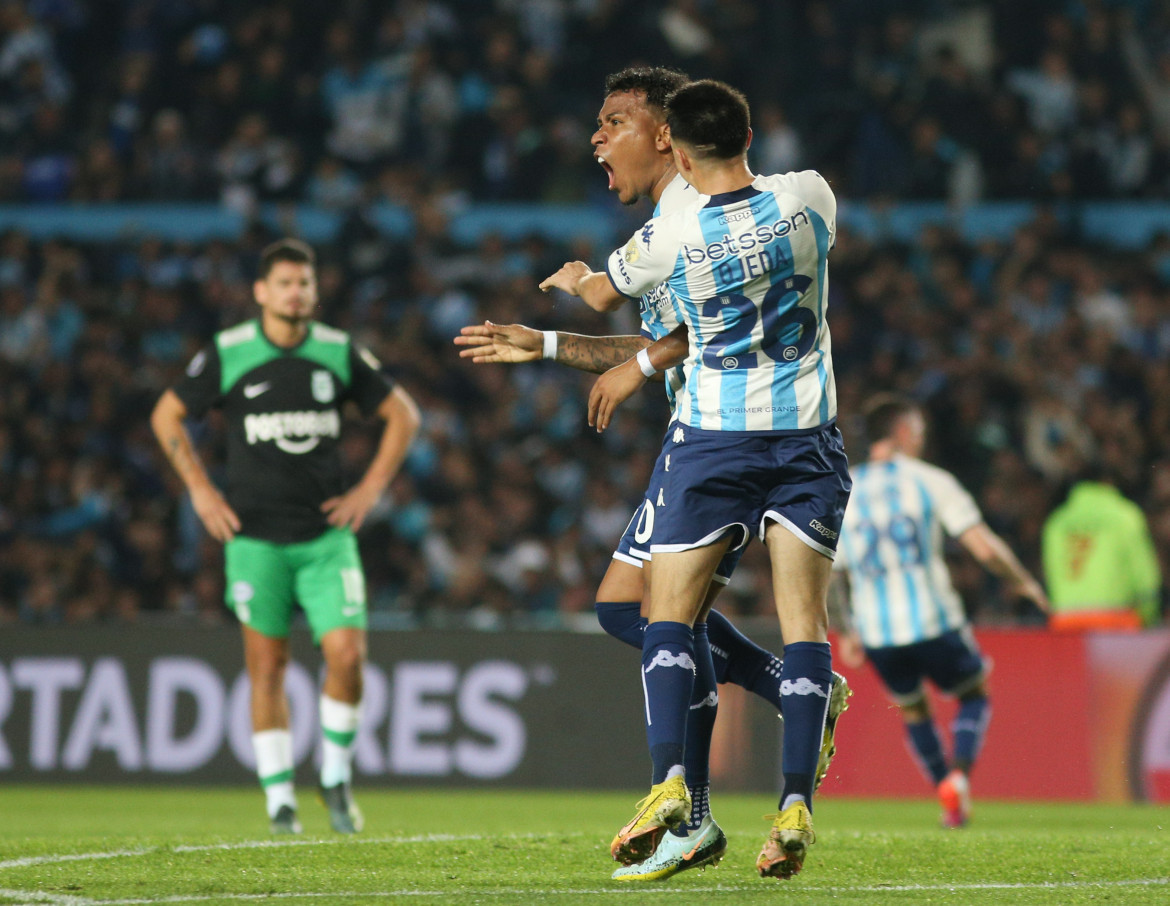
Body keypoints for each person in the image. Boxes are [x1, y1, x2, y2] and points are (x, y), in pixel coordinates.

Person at [458, 66, 850, 883]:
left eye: (613, 123)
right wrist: (548, 343)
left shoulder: (675, 225)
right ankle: (764, 736)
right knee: (648, 609)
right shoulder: (802, 196)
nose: (597, 139)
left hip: (711, 437)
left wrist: (630, 359)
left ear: (663, 133)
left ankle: (692, 805)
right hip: (791, 436)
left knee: (640, 609)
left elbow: (672, 330)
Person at [151, 238, 420, 834]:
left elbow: (404, 414)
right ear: (261, 293)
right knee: (266, 665)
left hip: (325, 538)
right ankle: (280, 801)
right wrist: (200, 490)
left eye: (305, 283)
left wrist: (370, 489)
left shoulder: (336, 352)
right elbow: (166, 414)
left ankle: (335, 778)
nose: (296, 293)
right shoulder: (230, 352)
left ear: (315, 291)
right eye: (285, 284)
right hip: (255, 539)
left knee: (347, 657)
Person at [831, 393, 1049, 828]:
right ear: (905, 432)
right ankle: (960, 779)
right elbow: (983, 546)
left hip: (876, 629)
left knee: (914, 710)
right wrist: (1022, 580)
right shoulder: (930, 480)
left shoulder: (844, 489)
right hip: (932, 617)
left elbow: (831, 573)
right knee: (973, 693)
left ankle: (946, 794)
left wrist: (845, 629)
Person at [1042, 467, 1161, 630]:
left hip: (1065, 622)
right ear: (1108, 483)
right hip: (1116, 621)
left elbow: (1051, 574)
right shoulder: (1125, 516)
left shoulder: (1057, 522)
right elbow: (1145, 578)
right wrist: (1149, 617)